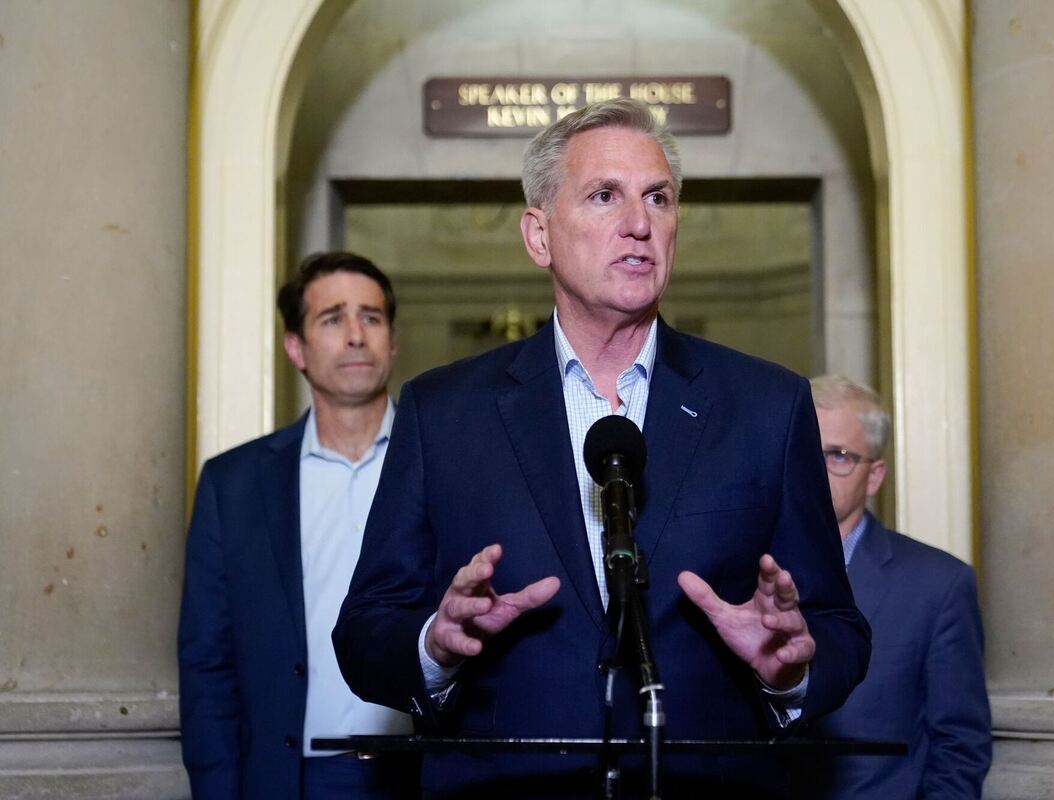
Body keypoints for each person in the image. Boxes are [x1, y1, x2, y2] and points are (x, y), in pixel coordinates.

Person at [333, 99, 870, 797]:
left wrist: (790, 668)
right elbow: (366, 631)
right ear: (539, 236)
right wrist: (435, 643)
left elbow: (839, 628)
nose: (639, 224)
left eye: (658, 198)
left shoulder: (768, 406)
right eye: (604, 196)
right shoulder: (443, 412)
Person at [178, 252, 415, 799]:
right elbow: (208, 664)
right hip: (292, 779)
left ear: (392, 341)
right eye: (332, 318)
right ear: (295, 348)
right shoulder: (233, 486)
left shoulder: (446, 465)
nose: (356, 335)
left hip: (419, 773)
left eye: (372, 317)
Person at [807, 374, 992, 799]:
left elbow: (960, 746)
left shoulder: (937, 585)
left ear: (874, 476)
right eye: (802, 451)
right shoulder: (739, 570)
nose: (814, 471)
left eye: (837, 456)